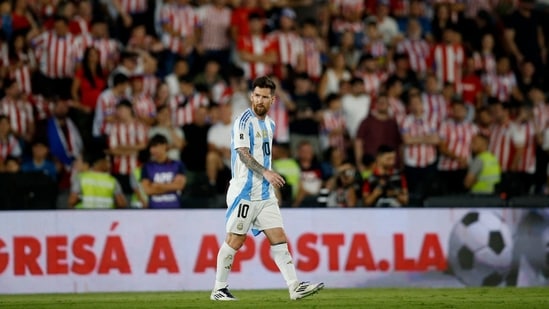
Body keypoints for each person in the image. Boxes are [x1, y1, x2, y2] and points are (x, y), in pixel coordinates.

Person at [210, 76, 324, 301]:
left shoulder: (270, 124)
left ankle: (295, 286)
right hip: (244, 191)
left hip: (264, 193)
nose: (260, 100)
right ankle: (218, 289)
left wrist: (269, 179)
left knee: (279, 237)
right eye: (257, 95)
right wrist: (267, 172)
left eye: (265, 97)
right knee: (235, 239)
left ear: (272, 99)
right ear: (252, 96)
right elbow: (243, 154)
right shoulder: (243, 121)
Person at [140, 134, 186, 209]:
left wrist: (158, 186)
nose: (152, 150)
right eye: (151, 147)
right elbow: (147, 190)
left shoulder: (177, 165)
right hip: (154, 210)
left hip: (174, 209)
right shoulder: (147, 167)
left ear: (164, 146)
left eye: (155, 146)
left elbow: (179, 186)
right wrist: (171, 187)